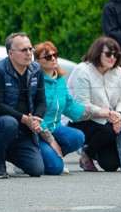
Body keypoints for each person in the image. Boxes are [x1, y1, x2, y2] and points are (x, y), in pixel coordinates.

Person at [0, 33, 46, 178]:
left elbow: (41, 101)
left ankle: (4, 146)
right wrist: (24, 119)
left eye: (30, 49)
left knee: (37, 170)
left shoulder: (36, 70)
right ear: (11, 53)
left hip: (25, 127)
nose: (29, 53)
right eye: (23, 50)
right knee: (9, 123)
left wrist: (36, 119)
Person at [67, 37, 121, 172]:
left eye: (116, 54)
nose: (112, 57)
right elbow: (82, 103)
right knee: (109, 129)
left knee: (111, 165)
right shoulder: (83, 71)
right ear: (97, 53)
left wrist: (119, 115)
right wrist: (105, 113)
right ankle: (85, 157)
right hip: (83, 121)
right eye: (108, 54)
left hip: (108, 121)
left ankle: (91, 150)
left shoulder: (119, 73)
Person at [35, 40, 92, 175]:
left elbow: (69, 105)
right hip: (38, 132)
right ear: (37, 61)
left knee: (78, 137)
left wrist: (98, 113)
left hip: (56, 128)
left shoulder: (60, 79)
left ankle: (54, 158)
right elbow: (34, 114)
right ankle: (29, 161)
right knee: (55, 169)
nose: (53, 58)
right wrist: (51, 140)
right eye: (48, 57)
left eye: (55, 55)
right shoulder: (35, 80)